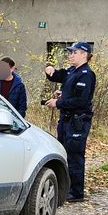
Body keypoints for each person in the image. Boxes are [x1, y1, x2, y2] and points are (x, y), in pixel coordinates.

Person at [43, 42, 96, 202]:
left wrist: (58, 103)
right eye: (70, 52)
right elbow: (60, 76)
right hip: (66, 120)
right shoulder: (73, 71)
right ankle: (66, 188)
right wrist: (50, 71)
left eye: (74, 52)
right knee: (63, 153)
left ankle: (76, 192)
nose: (70, 55)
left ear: (84, 54)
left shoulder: (86, 74)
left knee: (74, 156)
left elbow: (80, 100)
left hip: (77, 121)